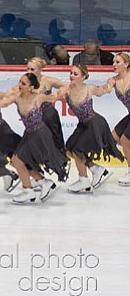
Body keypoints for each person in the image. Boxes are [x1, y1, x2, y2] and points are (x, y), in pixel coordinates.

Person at [0, 73, 69, 204]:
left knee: (18, 161)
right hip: (29, 134)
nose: (19, 85)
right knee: (17, 161)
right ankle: (42, 183)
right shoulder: (17, 97)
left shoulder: (39, 97)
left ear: (31, 87)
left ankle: (31, 189)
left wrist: (65, 89)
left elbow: (55, 97)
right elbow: (4, 103)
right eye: (19, 82)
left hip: (40, 134)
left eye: (23, 84)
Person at [47, 64, 123, 193]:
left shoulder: (89, 88)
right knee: (69, 147)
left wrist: (111, 83)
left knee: (78, 150)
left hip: (95, 123)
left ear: (83, 77)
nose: (71, 76)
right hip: (83, 124)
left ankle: (84, 181)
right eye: (71, 73)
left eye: (75, 74)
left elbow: (104, 90)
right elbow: (54, 97)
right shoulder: (67, 89)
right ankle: (96, 169)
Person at [26, 57, 68, 158]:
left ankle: (61, 160)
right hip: (34, 115)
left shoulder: (48, 80)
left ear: (40, 69)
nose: (29, 72)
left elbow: (66, 86)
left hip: (48, 114)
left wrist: (57, 94)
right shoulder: (25, 81)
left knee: (55, 138)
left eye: (32, 69)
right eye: (28, 69)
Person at [106, 53, 130, 186]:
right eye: (113, 62)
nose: (114, 64)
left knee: (125, 139)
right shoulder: (113, 80)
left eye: (118, 62)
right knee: (113, 138)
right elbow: (105, 89)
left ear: (126, 64)